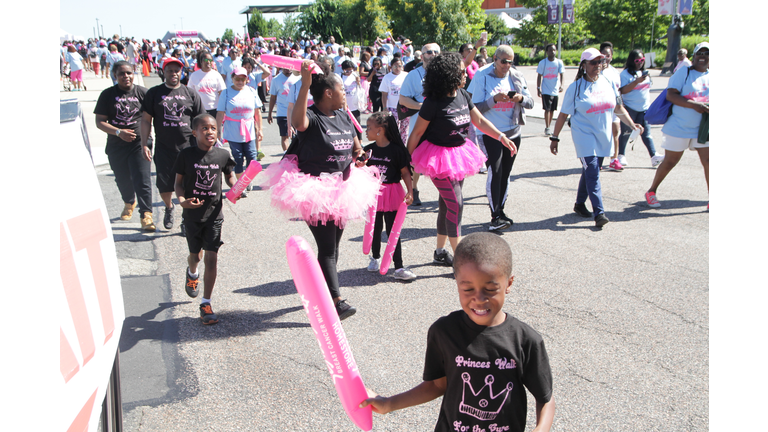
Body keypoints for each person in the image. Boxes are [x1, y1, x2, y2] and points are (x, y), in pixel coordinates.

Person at [361, 232, 555, 432]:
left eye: (490, 289)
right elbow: (436, 386)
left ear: (509, 284)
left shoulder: (526, 340)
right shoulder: (444, 332)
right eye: (468, 289)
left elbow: (545, 398)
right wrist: (388, 403)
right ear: (456, 281)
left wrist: (542, 428)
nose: (479, 298)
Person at [260, 60, 380, 320]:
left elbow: (355, 145)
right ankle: (335, 301)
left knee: (333, 248)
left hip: (343, 189)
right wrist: (304, 84)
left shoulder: (343, 115)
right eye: (342, 91)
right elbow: (297, 120)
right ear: (328, 93)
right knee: (327, 248)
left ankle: (318, 290)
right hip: (315, 192)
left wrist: (360, 155)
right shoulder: (312, 117)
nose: (345, 95)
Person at [407, 53, 516, 265]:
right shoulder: (433, 102)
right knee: (456, 204)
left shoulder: (463, 95)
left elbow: (480, 121)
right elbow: (417, 133)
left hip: (459, 155)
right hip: (437, 157)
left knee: (447, 205)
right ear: (449, 74)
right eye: (460, 70)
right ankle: (461, 260)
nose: (465, 73)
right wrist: (405, 159)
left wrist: (501, 137)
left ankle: (440, 252)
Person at [548, 48, 643, 228]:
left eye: (600, 61)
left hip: (602, 134)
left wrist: (632, 125)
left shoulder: (607, 82)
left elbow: (618, 108)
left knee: (591, 169)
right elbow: (562, 115)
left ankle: (579, 204)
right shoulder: (575, 88)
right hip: (583, 135)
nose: (597, 65)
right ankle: (599, 212)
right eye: (593, 62)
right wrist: (555, 137)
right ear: (583, 65)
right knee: (592, 170)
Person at [174, 114, 237, 325]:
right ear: (194, 132)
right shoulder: (186, 155)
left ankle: (206, 303)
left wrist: (235, 186)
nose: (210, 132)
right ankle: (192, 274)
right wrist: (182, 201)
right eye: (204, 128)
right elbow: (178, 183)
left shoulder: (222, 154)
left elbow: (229, 174)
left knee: (211, 257)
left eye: (213, 128)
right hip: (192, 215)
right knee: (196, 256)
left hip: (214, 215)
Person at [467, 45, 534, 231]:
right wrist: (494, 100)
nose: (507, 65)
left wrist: (519, 98)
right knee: (495, 172)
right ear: (494, 58)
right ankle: (495, 215)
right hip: (490, 132)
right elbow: (474, 108)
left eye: (510, 62)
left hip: (513, 131)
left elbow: (531, 102)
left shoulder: (516, 76)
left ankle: (501, 210)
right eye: (503, 61)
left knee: (505, 173)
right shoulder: (482, 76)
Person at [141, 57, 205, 233]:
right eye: (170, 70)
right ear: (163, 72)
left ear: (182, 72)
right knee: (164, 185)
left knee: (189, 184)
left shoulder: (190, 93)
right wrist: (145, 143)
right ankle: (169, 207)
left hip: (187, 147)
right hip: (164, 147)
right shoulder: (154, 93)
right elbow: (146, 120)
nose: (174, 73)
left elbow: (201, 119)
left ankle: (186, 217)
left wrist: (205, 142)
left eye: (177, 70)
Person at [645, 42, 709, 209]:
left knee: (709, 161)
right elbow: (671, 96)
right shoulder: (684, 73)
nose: (703, 57)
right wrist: (694, 105)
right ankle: (651, 191)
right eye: (699, 53)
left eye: (706, 54)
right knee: (670, 161)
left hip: (702, 128)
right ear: (694, 56)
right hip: (679, 127)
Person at [94, 61, 155, 232]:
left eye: (128, 73)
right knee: (122, 179)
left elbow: (153, 117)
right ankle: (129, 201)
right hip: (116, 145)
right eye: (121, 73)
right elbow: (100, 122)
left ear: (133, 73)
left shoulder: (143, 93)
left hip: (140, 143)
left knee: (142, 178)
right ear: (115, 75)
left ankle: (146, 215)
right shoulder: (107, 95)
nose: (125, 76)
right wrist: (119, 132)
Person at [364, 112, 416, 281]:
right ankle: (375, 257)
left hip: (392, 192)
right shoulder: (369, 149)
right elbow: (360, 169)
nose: (366, 130)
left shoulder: (396, 150)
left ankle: (399, 266)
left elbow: (406, 173)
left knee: (393, 230)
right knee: (374, 227)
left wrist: (410, 191)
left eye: (369, 127)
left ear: (380, 130)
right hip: (374, 193)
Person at [399, 43, 441, 206]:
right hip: (420, 125)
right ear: (422, 56)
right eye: (429, 52)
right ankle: (414, 188)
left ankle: (443, 193)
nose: (433, 54)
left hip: (440, 125)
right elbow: (403, 100)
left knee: (440, 160)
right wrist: (423, 107)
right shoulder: (414, 75)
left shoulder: (444, 74)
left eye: (436, 52)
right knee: (416, 162)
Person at [217, 66, 264, 197]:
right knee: (238, 157)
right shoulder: (226, 93)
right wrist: (218, 131)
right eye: (237, 78)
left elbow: (257, 112)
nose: (240, 81)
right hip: (233, 130)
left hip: (249, 129)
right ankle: (241, 185)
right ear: (232, 78)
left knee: (252, 156)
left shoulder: (251, 91)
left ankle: (246, 179)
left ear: (247, 80)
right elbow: (220, 113)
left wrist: (259, 129)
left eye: (243, 79)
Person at [618, 49, 664, 168]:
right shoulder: (625, 74)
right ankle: (621, 155)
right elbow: (622, 91)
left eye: (642, 60)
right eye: (637, 60)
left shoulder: (645, 73)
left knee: (646, 133)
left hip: (644, 108)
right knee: (626, 132)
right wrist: (636, 82)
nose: (640, 63)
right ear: (631, 61)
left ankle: (654, 156)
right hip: (630, 108)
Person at [599, 41, 624, 171]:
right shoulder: (597, 70)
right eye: (603, 54)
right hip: (601, 107)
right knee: (603, 133)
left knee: (615, 132)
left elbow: (618, 89)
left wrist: (620, 104)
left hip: (614, 106)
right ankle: (599, 160)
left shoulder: (615, 72)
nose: (605, 57)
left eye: (608, 55)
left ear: (612, 56)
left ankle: (614, 159)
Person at [378, 57, 409, 144]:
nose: (398, 68)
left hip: (405, 107)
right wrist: (384, 107)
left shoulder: (406, 75)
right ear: (391, 67)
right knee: (394, 128)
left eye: (400, 66)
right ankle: (393, 145)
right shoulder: (387, 78)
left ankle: (402, 146)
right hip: (392, 107)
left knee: (404, 129)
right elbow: (384, 94)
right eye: (395, 66)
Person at [268, 67, 300, 152]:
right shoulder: (276, 80)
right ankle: (287, 155)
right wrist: (269, 113)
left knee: (296, 137)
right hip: (282, 113)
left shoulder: (298, 78)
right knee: (285, 136)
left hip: (296, 112)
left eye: (290, 68)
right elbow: (273, 97)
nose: (288, 70)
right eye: (286, 68)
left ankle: (296, 155)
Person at [536, 44, 565, 135]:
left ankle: (549, 124)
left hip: (555, 90)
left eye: (554, 50)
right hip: (546, 90)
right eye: (550, 50)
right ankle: (547, 127)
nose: (552, 52)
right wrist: (538, 88)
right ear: (547, 52)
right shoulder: (543, 63)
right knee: (547, 109)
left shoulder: (559, 62)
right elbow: (539, 76)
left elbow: (562, 74)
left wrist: (562, 85)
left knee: (552, 109)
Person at [188, 51, 226, 118]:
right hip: (200, 110)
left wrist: (222, 108)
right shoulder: (194, 76)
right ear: (201, 62)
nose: (208, 62)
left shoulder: (217, 75)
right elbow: (190, 93)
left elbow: (222, 92)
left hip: (215, 109)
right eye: (206, 60)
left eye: (210, 60)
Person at [341, 60, 363, 141]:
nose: (349, 72)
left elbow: (360, 89)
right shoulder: (340, 77)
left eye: (351, 70)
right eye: (347, 70)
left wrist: (358, 82)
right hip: (345, 107)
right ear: (343, 69)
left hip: (355, 105)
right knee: (346, 125)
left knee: (357, 125)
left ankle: (360, 142)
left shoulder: (355, 76)